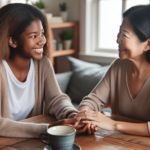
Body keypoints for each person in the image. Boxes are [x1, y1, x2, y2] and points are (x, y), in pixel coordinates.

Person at [0, 3, 90, 138]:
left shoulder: (42, 64)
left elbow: (56, 99)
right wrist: (49, 129)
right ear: (12, 41)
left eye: (42, 33)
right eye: (33, 36)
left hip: (29, 143)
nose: (42, 40)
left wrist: (72, 115)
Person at [77, 5, 150, 136]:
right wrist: (86, 118)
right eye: (119, 32)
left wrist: (113, 125)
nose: (118, 40)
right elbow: (93, 100)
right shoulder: (118, 66)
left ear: (148, 44)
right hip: (117, 144)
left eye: (125, 35)